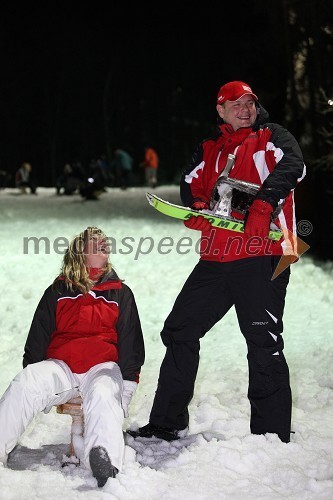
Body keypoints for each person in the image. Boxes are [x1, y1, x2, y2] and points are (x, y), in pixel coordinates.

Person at [128, 80, 306, 444]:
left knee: (263, 340)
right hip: (215, 258)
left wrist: (263, 204)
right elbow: (190, 182)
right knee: (179, 330)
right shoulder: (210, 148)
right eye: (236, 104)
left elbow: (294, 166)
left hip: (263, 257)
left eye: (250, 103)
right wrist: (196, 208)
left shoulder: (272, 136)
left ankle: (271, 434)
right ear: (220, 110)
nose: (246, 109)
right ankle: (166, 423)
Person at [0, 226, 145, 487]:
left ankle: (105, 462)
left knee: (104, 395)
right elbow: (38, 336)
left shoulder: (120, 293)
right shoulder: (57, 291)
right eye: (96, 241)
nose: (104, 243)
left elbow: (131, 341)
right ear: (80, 252)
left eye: (105, 241)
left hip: (102, 368)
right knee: (26, 381)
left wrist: (127, 386)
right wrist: (36, 377)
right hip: (61, 367)